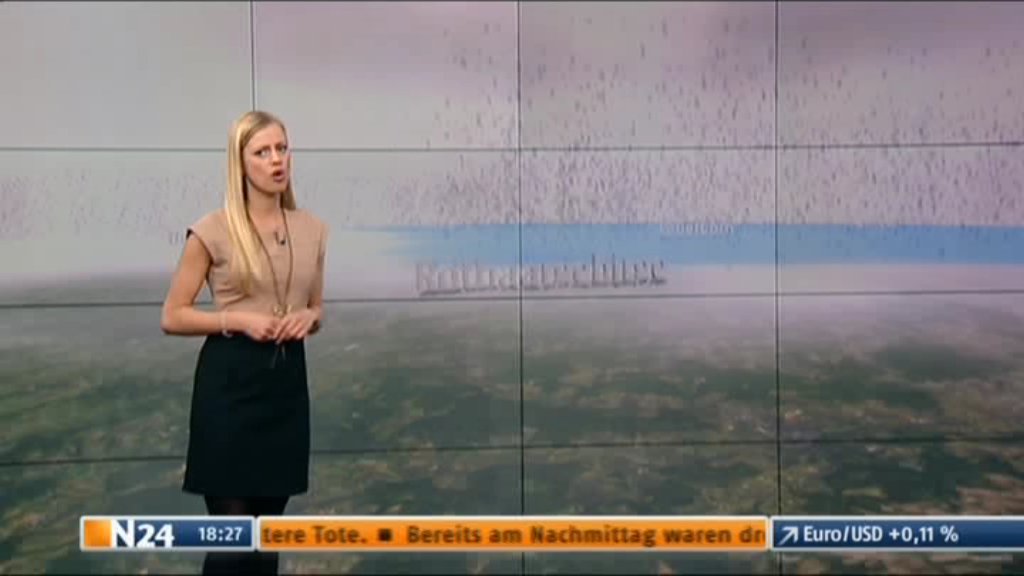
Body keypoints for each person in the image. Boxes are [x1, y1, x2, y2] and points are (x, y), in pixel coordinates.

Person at [161, 110, 328, 575]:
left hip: (285, 388)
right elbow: (172, 315)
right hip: (229, 388)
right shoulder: (211, 230)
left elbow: (316, 308)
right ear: (240, 163)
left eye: (282, 148)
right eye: (262, 152)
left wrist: (308, 318)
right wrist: (237, 320)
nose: (277, 160)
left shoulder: (312, 229)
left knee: (266, 540)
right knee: (233, 543)